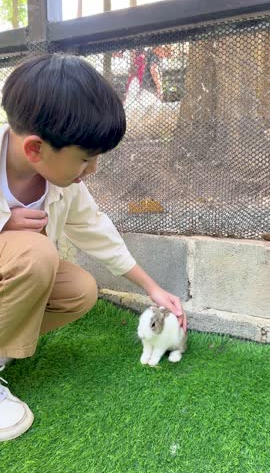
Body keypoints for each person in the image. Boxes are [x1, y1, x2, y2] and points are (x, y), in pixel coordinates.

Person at [0, 54, 187, 442]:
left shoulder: (61, 184)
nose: (93, 170)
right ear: (35, 149)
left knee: (79, 292)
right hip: (22, 260)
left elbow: (96, 229)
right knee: (36, 255)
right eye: (86, 159)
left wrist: (151, 288)